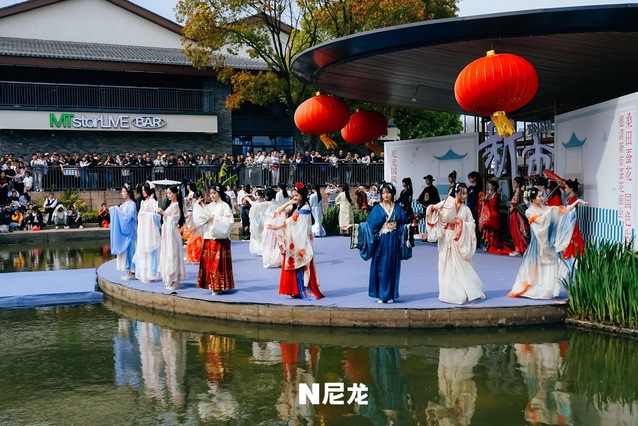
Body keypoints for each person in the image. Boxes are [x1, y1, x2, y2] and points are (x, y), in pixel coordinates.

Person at [508, 187, 588, 299]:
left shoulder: (546, 208)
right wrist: (550, 211)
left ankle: (548, 290)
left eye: (542, 195)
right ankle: (533, 289)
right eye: (539, 196)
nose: (542, 198)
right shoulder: (529, 211)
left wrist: (577, 202)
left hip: (548, 242)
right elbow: (540, 221)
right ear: (533, 199)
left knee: (551, 264)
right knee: (537, 265)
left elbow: (562, 210)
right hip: (537, 244)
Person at [426, 182, 485, 304]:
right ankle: (448, 292)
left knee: (462, 264)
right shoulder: (446, 204)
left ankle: (465, 290)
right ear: (456, 193)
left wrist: (462, 223)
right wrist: (433, 208)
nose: (464, 196)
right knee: (446, 264)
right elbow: (432, 209)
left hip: (459, 239)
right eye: (462, 193)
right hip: (446, 237)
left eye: (466, 194)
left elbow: (472, 224)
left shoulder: (466, 209)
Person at [267, 182, 324, 300]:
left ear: (303, 195)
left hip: (301, 241)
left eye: (297, 195)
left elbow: (293, 220)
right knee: (292, 263)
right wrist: (289, 202)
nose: (295, 198)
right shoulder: (296, 206)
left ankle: (301, 289)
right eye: (293, 196)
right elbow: (278, 211)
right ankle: (293, 290)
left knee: (300, 264)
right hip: (294, 240)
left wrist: (277, 226)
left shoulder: (305, 207)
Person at [365, 182, 410, 304]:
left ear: (392, 194)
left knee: (392, 266)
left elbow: (403, 224)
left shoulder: (398, 208)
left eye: (388, 192)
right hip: (382, 240)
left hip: (394, 239)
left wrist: (407, 227)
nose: (386, 195)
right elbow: (370, 226)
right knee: (382, 266)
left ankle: (390, 294)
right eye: (384, 193)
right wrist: (357, 227)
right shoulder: (377, 208)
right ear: (380, 194)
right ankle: (381, 295)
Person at [193, 183, 235, 295]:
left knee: (218, 264)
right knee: (210, 264)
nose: (212, 195)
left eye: (214, 193)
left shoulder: (224, 206)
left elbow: (230, 220)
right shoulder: (209, 206)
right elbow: (201, 218)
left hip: (219, 238)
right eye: (211, 193)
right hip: (209, 237)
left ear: (219, 193)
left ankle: (219, 285)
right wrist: (198, 206)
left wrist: (215, 219)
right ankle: (211, 284)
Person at [156, 185, 187, 290]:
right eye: (167, 193)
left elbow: (174, 220)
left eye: (170, 193)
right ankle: (169, 279)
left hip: (172, 233)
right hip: (167, 232)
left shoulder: (176, 205)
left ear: (175, 193)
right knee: (167, 253)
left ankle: (175, 280)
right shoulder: (170, 204)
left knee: (172, 254)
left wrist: (163, 213)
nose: (168, 195)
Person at [133, 182, 161, 283]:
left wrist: (145, 215)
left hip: (151, 230)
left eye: (145, 190)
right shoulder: (143, 202)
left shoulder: (153, 201)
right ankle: (145, 273)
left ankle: (152, 274)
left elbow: (156, 216)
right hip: (144, 229)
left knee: (151, 250)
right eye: (143, 190)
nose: (144, 192)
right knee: (144, 250)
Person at [109, 184, 138, 280]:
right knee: (126, 252)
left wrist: (118, 212)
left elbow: (128, 217)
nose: (122, 193)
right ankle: (128, 271)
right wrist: (115, 210)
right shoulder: (123, 205)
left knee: (131, 250)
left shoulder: (132, 204)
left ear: (129, 193)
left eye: (124, 192)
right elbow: (120, 216)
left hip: (130, 231)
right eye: (122, 192)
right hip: (125, 232)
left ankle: (132, 271)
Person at [478, 179, 511, 255]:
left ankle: (495, 245)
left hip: (493, 215)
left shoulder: (496, 195)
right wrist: (482, 201)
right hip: (488, 215)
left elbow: (494, 204)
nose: (489, 187)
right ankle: (488, 245)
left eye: (490, 185)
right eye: (488, 186)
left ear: (494, 186)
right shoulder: (488, 195)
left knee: (494, 232)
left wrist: (486, 201)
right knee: (487, 232)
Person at [563, 178, 586, 260]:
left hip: (571, 220)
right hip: (567, 220)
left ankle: (574, 253)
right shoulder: (570, 197)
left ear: (571, 188)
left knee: (572, 236)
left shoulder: (573, 198)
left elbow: (570, 210)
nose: (565, 189)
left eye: (566, 187)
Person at [508, 176, 529, 257]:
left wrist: (514, 207)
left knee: (518, 231)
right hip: (513, 214)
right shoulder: (514, 192)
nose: (513, 184)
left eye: (515, 182)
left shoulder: (521, 193)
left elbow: (522, 204)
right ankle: (517, 247)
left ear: (518, 184)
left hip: (518, 214)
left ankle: (521, 248)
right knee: (513, 231)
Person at [466, 171, 482, 246]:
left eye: (471, 177)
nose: (470, 179)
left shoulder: (479, 187)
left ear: (475, 178)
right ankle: (470, 240)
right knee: (469, 224)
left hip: (476, 207)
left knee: (476, 224)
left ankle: (477, 241)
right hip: (470, 207)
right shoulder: (469, 188)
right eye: (469, 178)